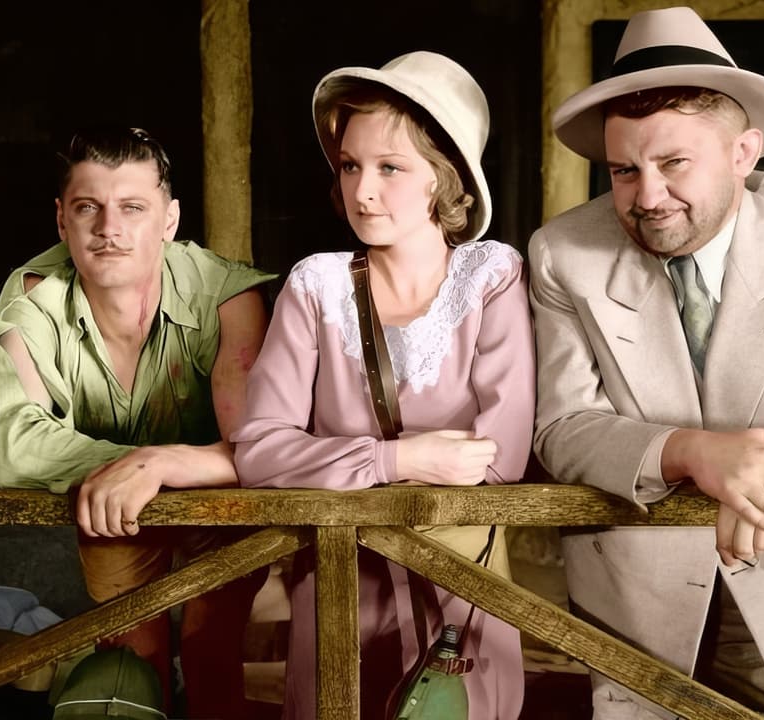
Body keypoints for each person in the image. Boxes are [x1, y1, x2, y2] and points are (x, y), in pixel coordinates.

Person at [530, 7, 764, 719]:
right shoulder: (560, 252)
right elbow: (563, 429)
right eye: (623, 171)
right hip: (630, 598)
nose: (647, 198)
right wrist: (697, 454)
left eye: (674, 164)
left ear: (743, 153)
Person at [232, 51, 534, 719]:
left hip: (463, 587)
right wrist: (397, 459)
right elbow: (259, 452)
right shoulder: (315, 285)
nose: (362, 191)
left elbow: (499, 461)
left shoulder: (492, 278)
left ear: (445, 178)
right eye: (349, 166)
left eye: (389, 168)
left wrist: (327, 465)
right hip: (338, 588)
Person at [0, 127, 272, 718]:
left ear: (169, 220)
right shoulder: (33, 297)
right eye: (89, 207)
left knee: (212, 651)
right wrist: (138, 469)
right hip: (109, 502)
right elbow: (15, 447)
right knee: (132, 659)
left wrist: (157, 464)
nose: (109, 228)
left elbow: (253, 448)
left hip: (219, 504)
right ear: (62, 220)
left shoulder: (225, 294)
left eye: (133, 208)